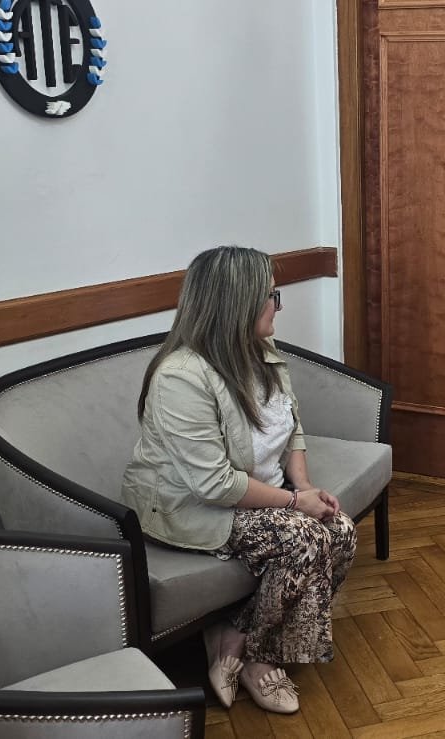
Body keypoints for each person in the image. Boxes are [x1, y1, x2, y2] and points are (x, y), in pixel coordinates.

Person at [122, 245, 355, 714]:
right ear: (239, 302)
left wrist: (304, 487)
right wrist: (295, 505)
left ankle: (234, 636)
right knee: (305, 538)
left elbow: (292, 426)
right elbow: (214, 485)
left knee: (341, 529)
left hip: (258, 492)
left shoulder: (260, 351)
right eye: (271, 295)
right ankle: (261, 660)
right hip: (192, 507)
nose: (277, 305)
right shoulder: (181, 377)